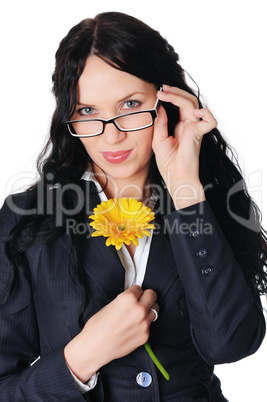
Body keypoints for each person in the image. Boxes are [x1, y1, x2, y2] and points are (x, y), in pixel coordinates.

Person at [0, 11, 266, 402]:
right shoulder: (25, 222)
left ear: (166, 99)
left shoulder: (207, 201)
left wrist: (186, 190)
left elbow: (230, 344)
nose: (111, 135)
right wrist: (82, 356)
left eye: (129, 104)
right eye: (88, 111)